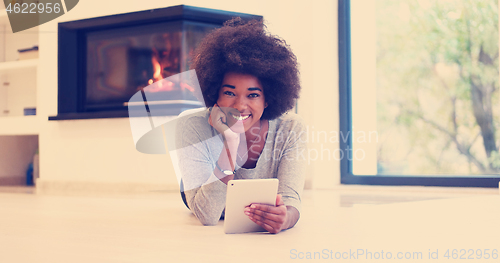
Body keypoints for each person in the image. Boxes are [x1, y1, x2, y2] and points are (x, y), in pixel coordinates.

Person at [176, 17, 306, 234]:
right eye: (229, 92)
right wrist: (231, 142)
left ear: (268, 99)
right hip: (203, 185)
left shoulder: (290, 128)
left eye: (253, 95)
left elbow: (291, 202)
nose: (240, 105)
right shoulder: (191, 126)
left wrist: (285, 218)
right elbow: (208, 215)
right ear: (215, 92)